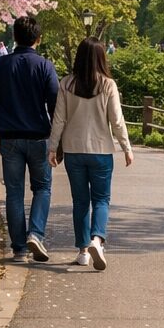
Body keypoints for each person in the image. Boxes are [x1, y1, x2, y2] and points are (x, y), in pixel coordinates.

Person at [47, 37, 134, 271]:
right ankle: (97, 239)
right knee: (101, 199)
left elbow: (59, 119)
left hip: (74, 151)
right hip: (101, 151)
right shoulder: (108, 85)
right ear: (101, 58)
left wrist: (52, 147)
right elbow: (116, 120)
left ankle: (83, 251)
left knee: (80, 202)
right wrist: (126, 147)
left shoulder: (66, 84)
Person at [0, 16, 59, 263]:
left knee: (14, 192)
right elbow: (55, 103)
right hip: (39, 136)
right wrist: (58, 139)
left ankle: (19, 249)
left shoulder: (0, 65)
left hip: (10, 136)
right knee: (43, 188)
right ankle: (35, 233)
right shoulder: (45, 66)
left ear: (14, 37)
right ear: (39, 38)